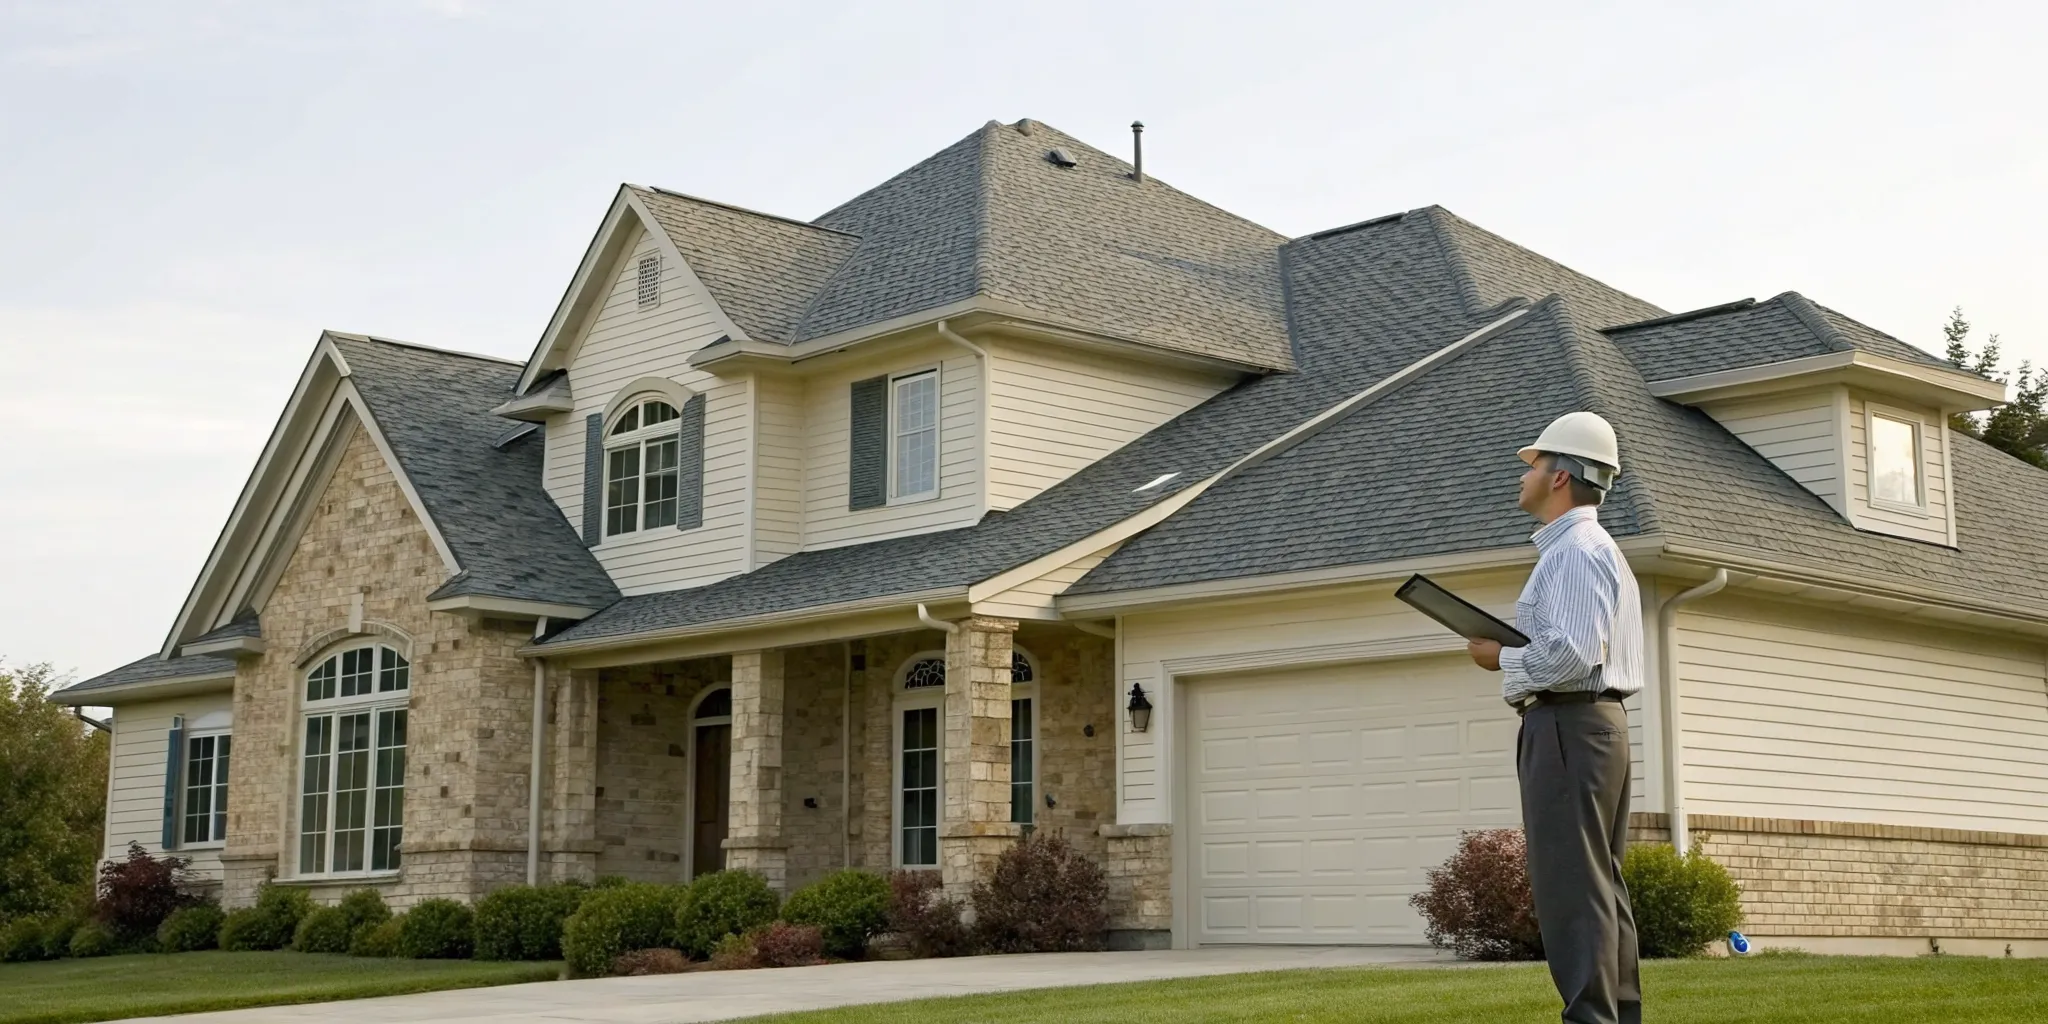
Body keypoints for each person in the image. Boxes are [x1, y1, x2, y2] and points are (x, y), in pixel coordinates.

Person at [1466, 411, 1644, 1024]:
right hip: (1591, 727)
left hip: (1568, 727)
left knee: (1572, 886)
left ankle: (1590, 1019)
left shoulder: (1574, 552)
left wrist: (1502, 656)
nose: (1524, 475)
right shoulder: (1589, 550)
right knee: (1597, 884)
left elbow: (1569, 655)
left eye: (1534, 464)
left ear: (1561, 476)